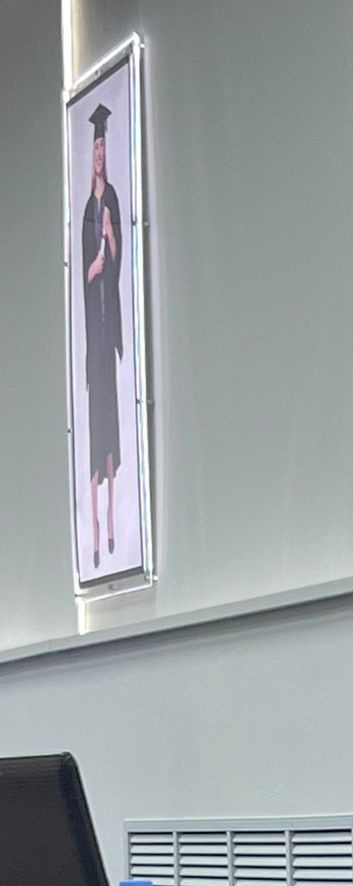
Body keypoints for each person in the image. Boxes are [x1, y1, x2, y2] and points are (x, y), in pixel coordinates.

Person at [81, 101, 123, 568]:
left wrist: (110, 238)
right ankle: (92, 527)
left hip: (108, 330)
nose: (98, 154)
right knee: (95, 424)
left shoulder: (109, 200)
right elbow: (85, 273)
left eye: (102, 148)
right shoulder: (84, 211)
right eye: (94, 148)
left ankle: (112, 520)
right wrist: (91, 270)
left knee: (110, 420)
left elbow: (118, 257)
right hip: (93, 335)